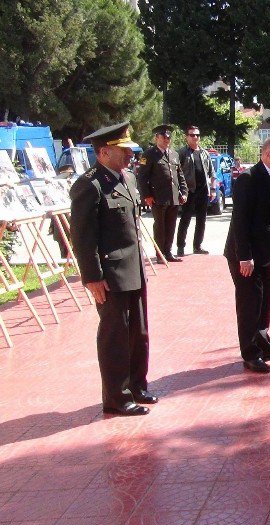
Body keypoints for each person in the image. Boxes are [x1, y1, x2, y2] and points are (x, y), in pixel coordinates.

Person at [69, 122, 158, 416]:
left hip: (134, 267)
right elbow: (83, 237)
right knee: (114, 336)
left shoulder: (128, 179)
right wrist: (92, 277)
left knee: (138, 332)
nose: (130, 156)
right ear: (104, 152)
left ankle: (136, 385)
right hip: (109, 274)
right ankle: (116, 398)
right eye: (123, 151)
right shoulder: (89, 185)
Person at [223, 135, 270, 374]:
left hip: (265, 254)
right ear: (267, 155)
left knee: (265, 303)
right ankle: (250, 354)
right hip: (246, 257)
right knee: (249, 306)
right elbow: (240, 220)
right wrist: (244, 256)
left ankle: (264, 346)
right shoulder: (249, 179)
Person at [136, 124, 187, 263]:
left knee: (171, 225)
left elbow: (179, 175)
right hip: (158, 197)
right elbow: (142, 177)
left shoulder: (174, 154)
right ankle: (160, 254)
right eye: (163, 138)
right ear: (156, 138)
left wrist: (184, 192)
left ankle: (168, 252)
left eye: (168, 138)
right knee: (160, 227)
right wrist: (146, 195)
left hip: (173, 197)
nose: (166, 140)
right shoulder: (149, 154)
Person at [177, 125, 215, 256]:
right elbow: (177, 173)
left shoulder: (204, 153)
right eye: (192, 135)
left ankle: (197, 246)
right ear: (187, 137)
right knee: (185, 219)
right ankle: (180, 247)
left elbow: (212, 173)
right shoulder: (182, 153)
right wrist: (181, 191)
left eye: (197, 135)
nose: (195, 137)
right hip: (189, 192)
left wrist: (213, 189)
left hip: (203, 191)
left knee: (201, 220)